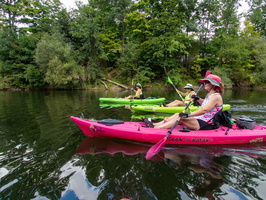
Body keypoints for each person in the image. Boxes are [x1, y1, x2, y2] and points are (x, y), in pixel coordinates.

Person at [154, 74, 224, 130]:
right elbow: (204, 104)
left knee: (180, 117)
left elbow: (204, 110)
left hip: (207, 123)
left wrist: (188, 114)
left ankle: (157, 129)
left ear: (214, 85)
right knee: (177, 114)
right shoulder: (210, 94)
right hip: (201, 119)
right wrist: (198, 99)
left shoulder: (216, 96)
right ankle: (155, 125)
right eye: (205, 82)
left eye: (207, 82)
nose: (204, 83)